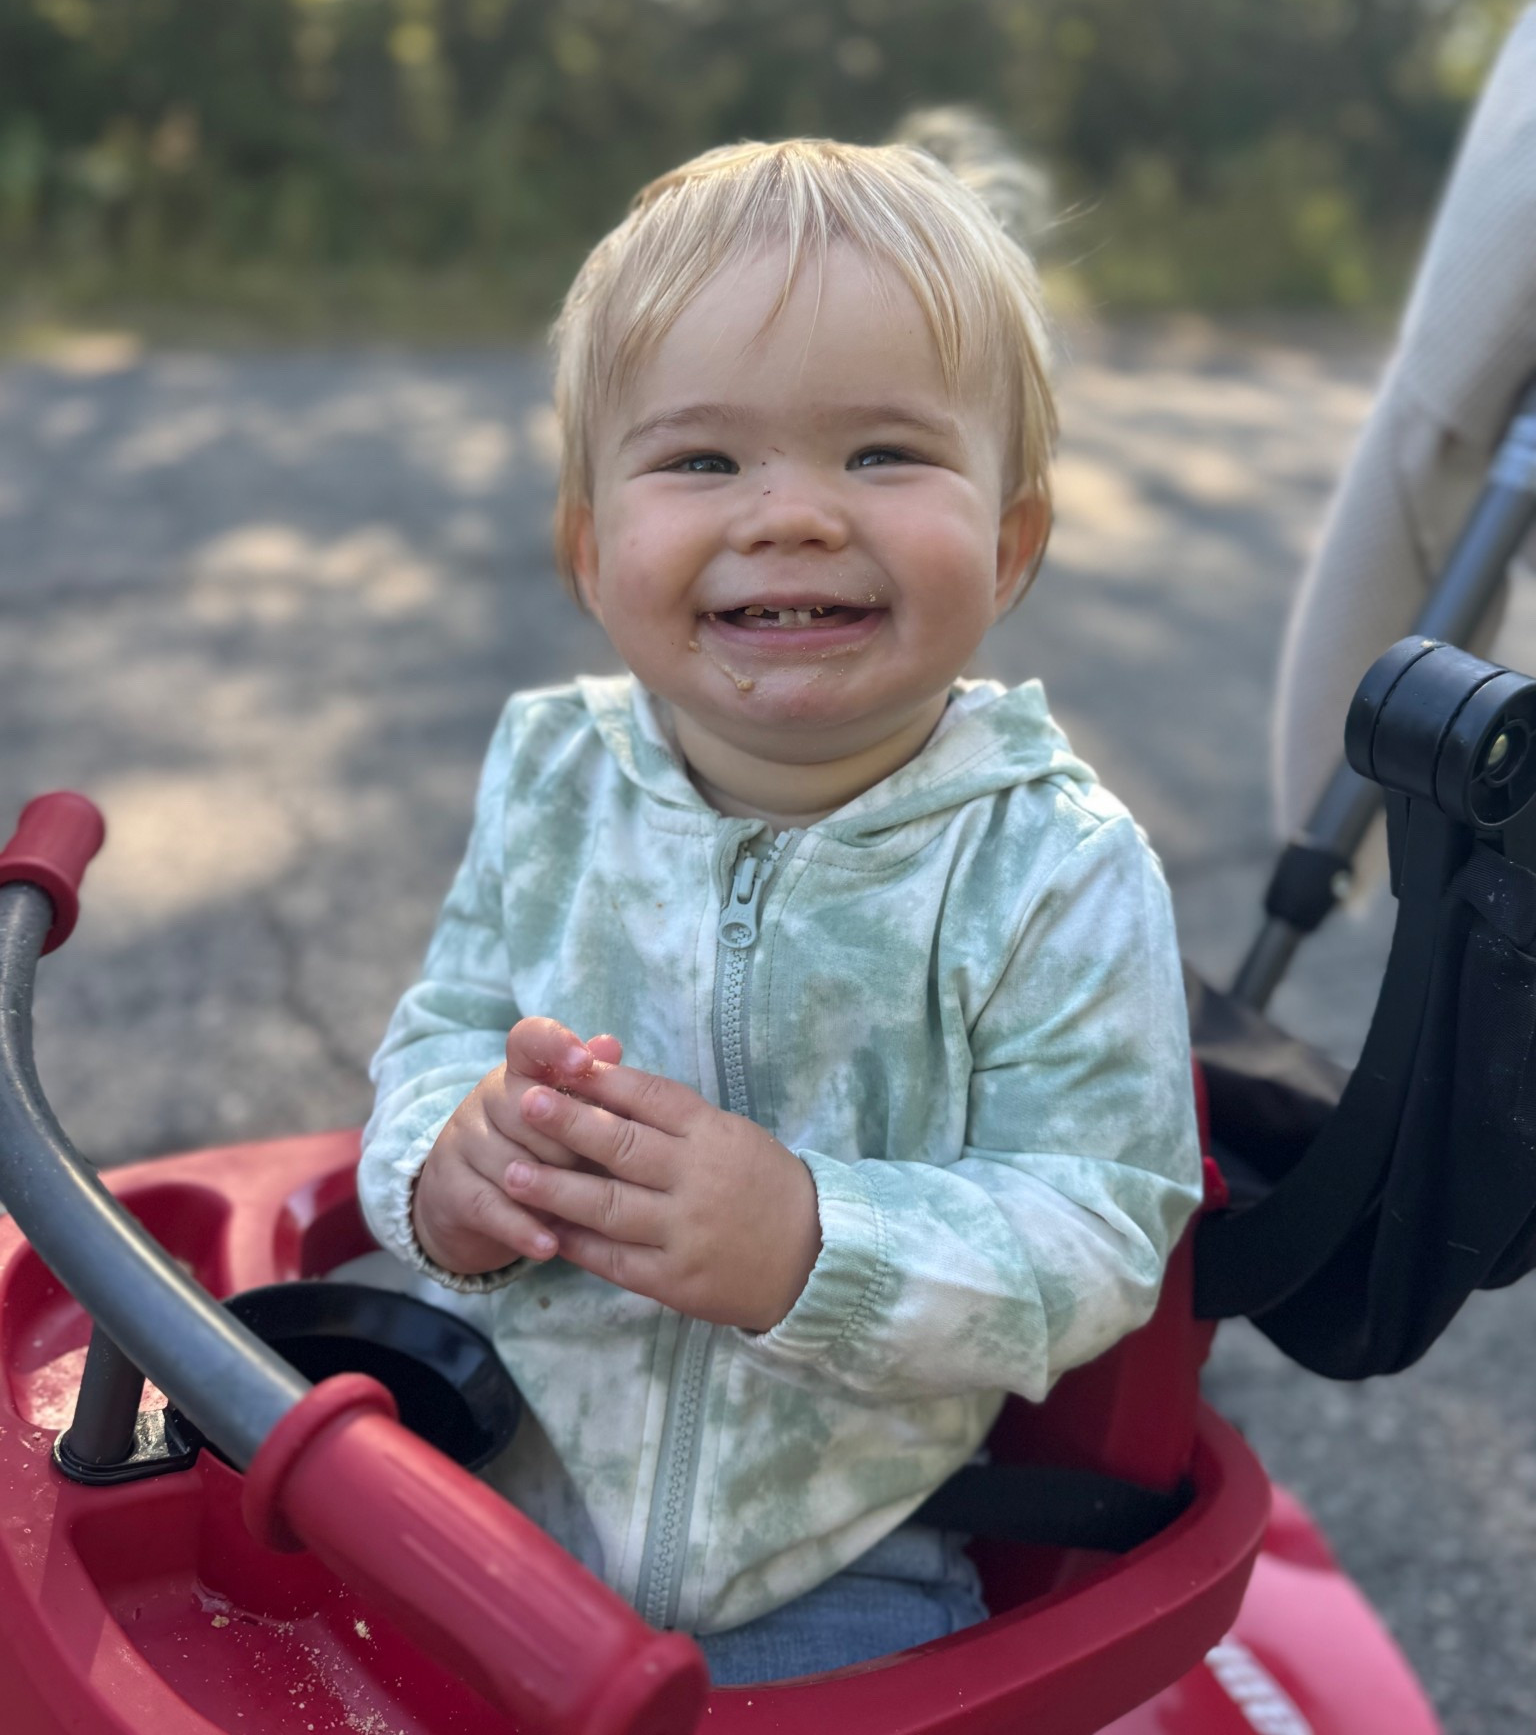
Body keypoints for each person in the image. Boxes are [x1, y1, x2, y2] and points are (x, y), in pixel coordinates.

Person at [357, 124, 1203, 1685]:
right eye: (702, 459)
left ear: (1011, 542)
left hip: (842, 1554)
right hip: (489, 1495)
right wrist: (443, 1170)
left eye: (883, 453)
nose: (795, 513)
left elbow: (1102, 1223)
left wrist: (814, 1241)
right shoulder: (558, 774)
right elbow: (443, 1034)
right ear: (590, 548)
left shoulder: (1053, 868)